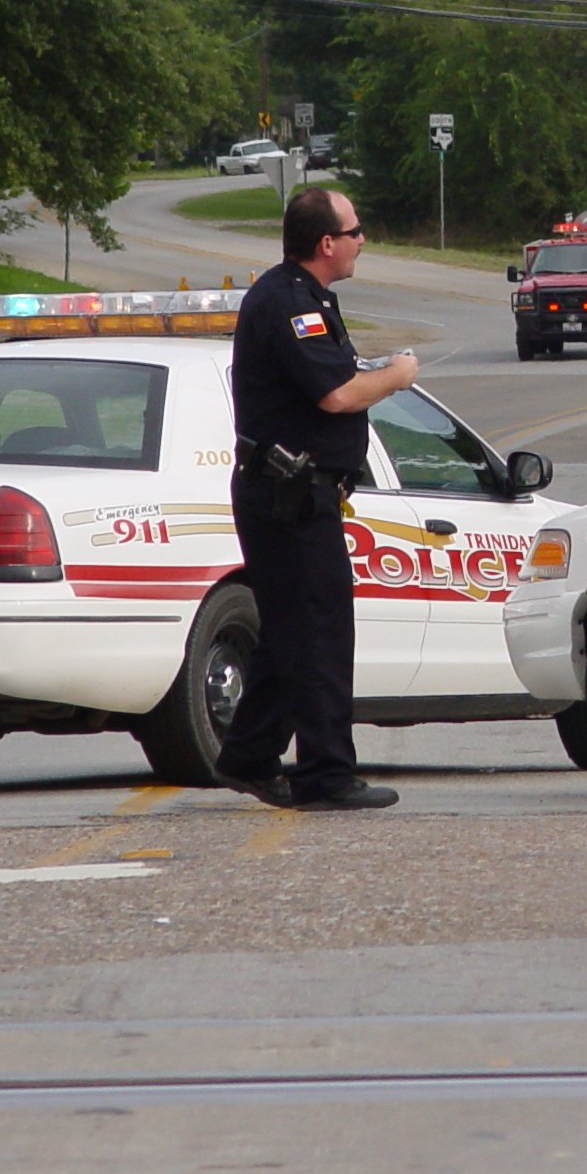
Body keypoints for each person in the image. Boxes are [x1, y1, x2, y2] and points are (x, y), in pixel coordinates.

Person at [216, 185, 419, 810]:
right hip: (287, 496)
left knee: (291, 633)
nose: (363, 241)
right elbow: (335, 394)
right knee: (321, 633)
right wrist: (399, 375)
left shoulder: (307, 298)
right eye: (355, 232)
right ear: (326, 243)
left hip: (298, 493)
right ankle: (326, 774)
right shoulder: (288, 303)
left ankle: (248, 755)